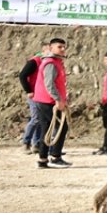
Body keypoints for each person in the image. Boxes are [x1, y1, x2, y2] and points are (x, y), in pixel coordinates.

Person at [33, 38, 71, 168]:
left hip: (45, 100)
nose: (62, 49)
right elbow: (49, 84)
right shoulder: (51, 63)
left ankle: (43, 160)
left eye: (63, 47)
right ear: (51, 47)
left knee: (47, 129)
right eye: (59, 47)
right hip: (48, 101)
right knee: (61, 127)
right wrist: (58, 99)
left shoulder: (55, 62)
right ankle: (55, 157)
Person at [18, 41, 48, 154]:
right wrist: (29, 91)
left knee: (41, 119)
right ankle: (26, 143)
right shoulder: (34, 61)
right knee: (35, 119)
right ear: (44, 50)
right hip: (34, 94)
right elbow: (22, 75)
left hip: (42, 95)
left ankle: (37, 144)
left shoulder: (46, 62)